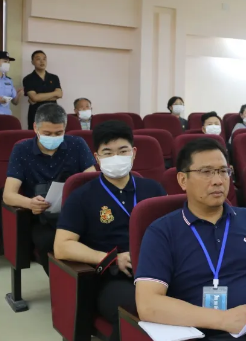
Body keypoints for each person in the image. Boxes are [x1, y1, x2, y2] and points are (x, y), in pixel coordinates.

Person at [134, 138, 246, 340]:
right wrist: (223, 319)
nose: (218, 181)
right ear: (182, 180)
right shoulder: (162, 232)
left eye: (223, 171)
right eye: (206, 172)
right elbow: (148, 304)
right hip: (207, 334)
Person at [54, 120, 166, 341]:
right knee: (141, 309)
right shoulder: (82, 196)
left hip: (158, 271)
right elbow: (62, 246)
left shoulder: (154, 189)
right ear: (97, 158)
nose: (116, 157)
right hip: (112, 277)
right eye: (108, 153)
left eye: (123, 151)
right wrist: (112, 258)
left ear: (133, 153)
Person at [2, 103, 96, 275]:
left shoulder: (77, 144)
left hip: (76, 213)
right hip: (42, 218)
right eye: (47, 133)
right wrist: (30, 203)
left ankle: (93, 280)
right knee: (49, 242)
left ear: (65, 128)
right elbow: (8, 195)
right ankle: (64, 284)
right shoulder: (22, 150)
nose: (53, 137)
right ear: (35, 128)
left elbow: (92, 181)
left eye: (58, 133)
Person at [23, 50, 63, 128]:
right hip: (36, 114)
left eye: (44, 59)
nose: (42, 61)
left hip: (53, 112)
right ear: (32, 62)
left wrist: (38, 98)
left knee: (53, 132)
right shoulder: (28, 79)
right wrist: (54, 94)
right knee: (36, 134)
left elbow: (59, 94)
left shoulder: (54, 77)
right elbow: (34, 97)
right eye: (38, 59)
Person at [0, 51, 23, 115]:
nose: (7, 64)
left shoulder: (9, 81)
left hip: (7, 116)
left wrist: (19, 94)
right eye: (5, 61)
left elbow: (15, 102)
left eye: (8, 62)